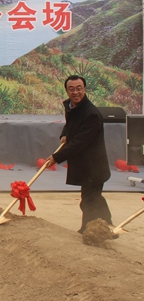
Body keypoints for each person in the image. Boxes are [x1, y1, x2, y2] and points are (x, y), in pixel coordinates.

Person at [44, 75, 112, 234]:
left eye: (79, 88)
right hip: (84, 164)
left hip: (94, 165)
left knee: (89, 200)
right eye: (71, 89)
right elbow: (70, 124)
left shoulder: (92, 114)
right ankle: (107, 226)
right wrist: (64, 134)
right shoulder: (71, 106)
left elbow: (80, 142)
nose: (75, 92)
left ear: (85, 89)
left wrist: (56, 157)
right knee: (94, 197)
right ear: (67, 91)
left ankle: (89, 231)